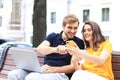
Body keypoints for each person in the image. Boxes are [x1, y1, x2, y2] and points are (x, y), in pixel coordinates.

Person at [8, 14, 84, 80]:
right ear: (63, 26)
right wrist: (56, 49)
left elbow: (73, 67)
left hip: (61, 74)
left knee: (32, 77)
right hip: (44, 70)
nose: (73, 31)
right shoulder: (53, 36)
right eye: (70, 27)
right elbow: (40, 48)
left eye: (75, 28)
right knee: (14, 74)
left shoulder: (78, 42)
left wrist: (54, 69)